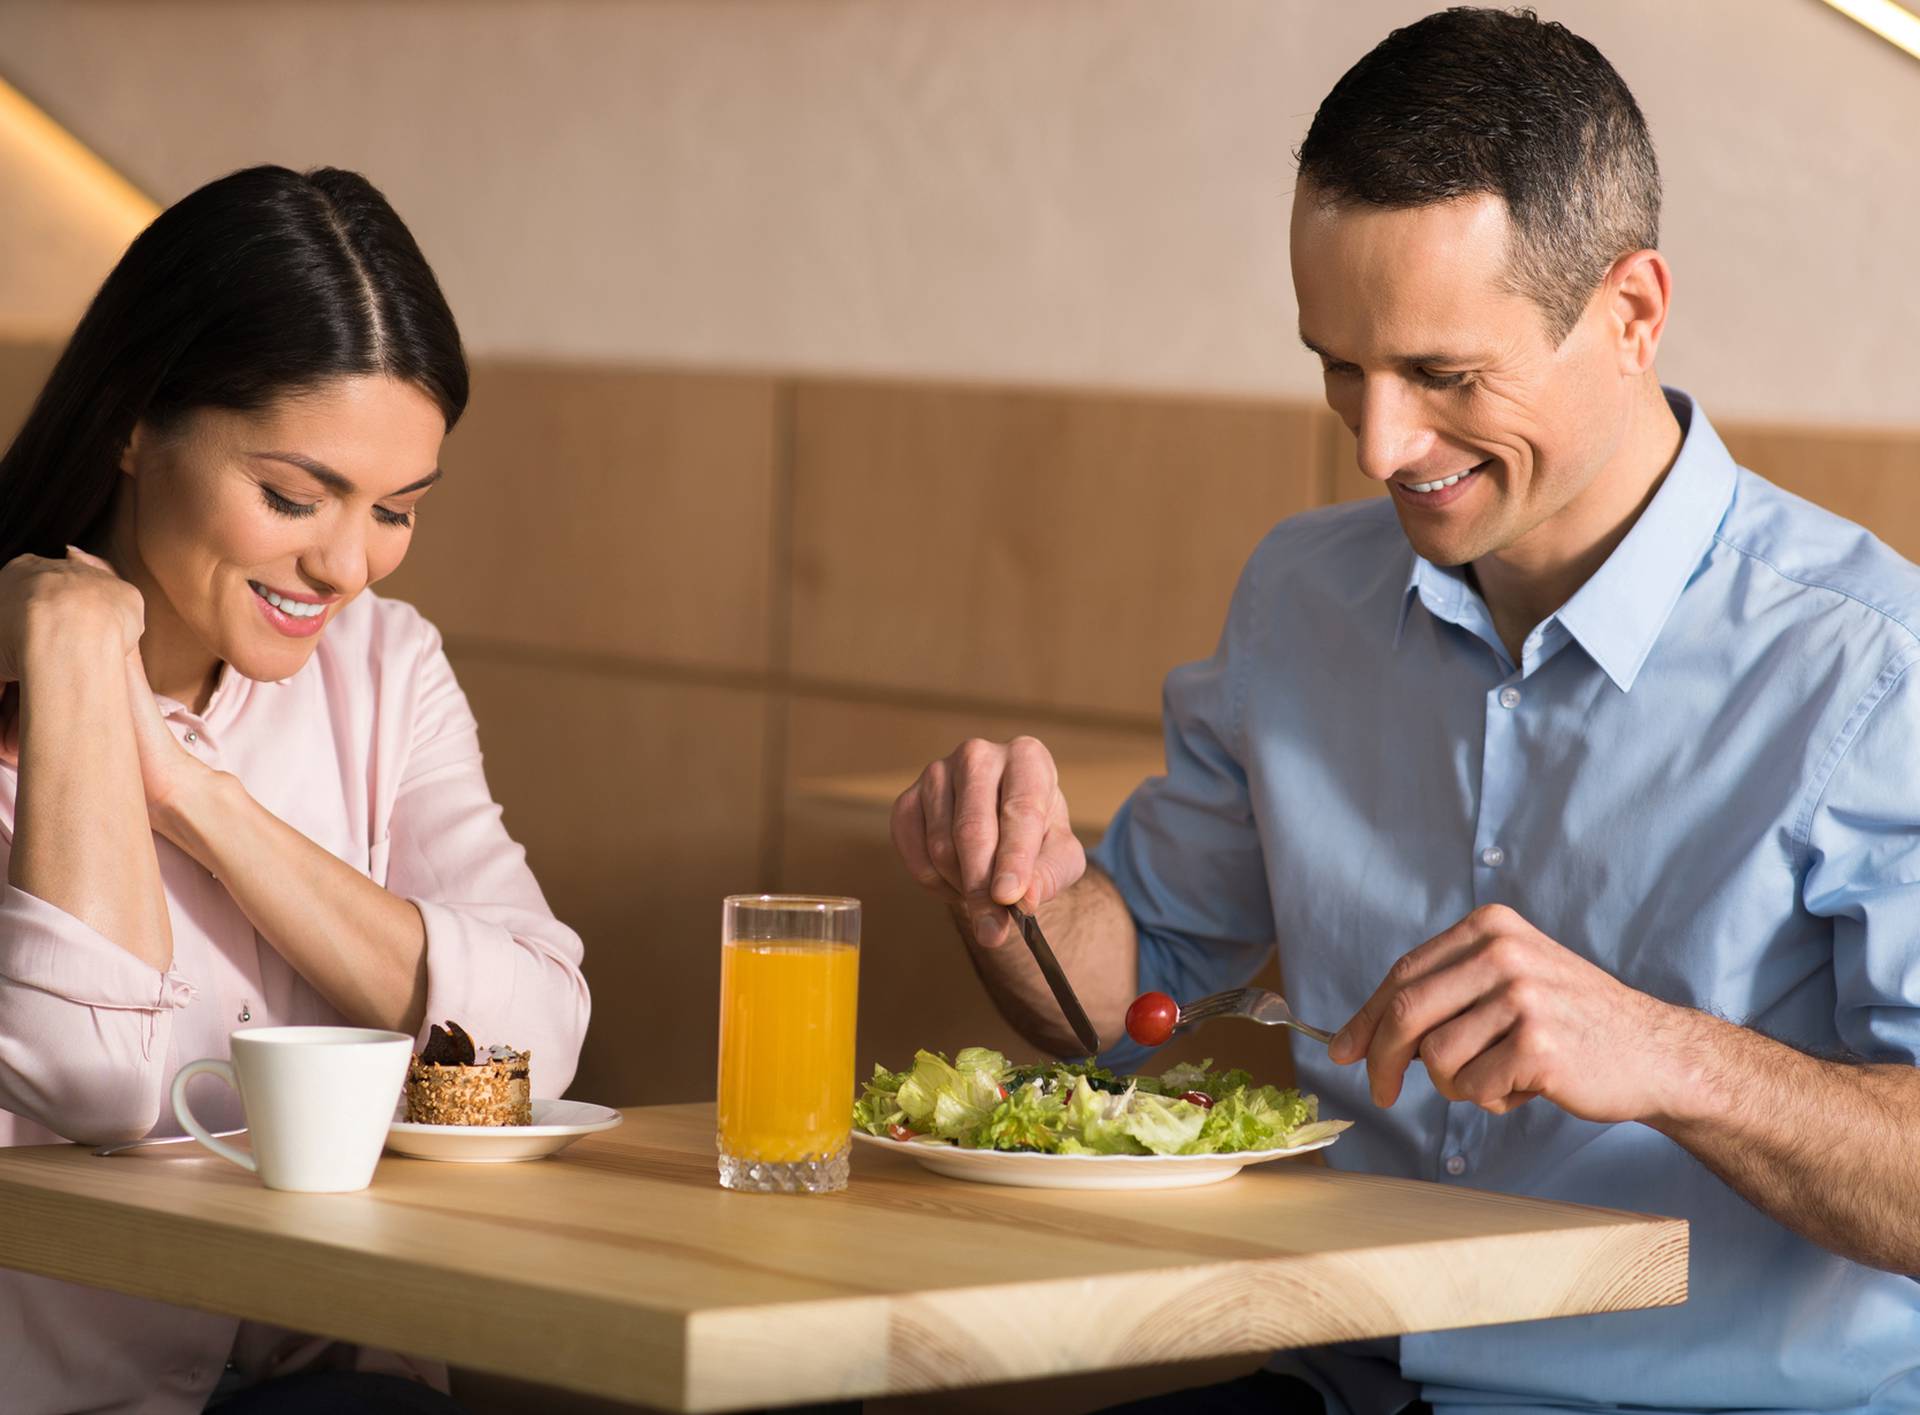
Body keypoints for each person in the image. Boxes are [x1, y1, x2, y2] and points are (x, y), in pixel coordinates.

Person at [892, 10, 1920, 1415]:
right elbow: (1119, 1003)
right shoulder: (1299, 595)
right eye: (1339, 365)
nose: (1378, 446)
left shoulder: (1876, 665)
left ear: (1630, 313)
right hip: (1337, 1384)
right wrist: (1018, 889)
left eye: (1444, 377)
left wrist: (1668, 1052)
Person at [0, 165, 590, 1413]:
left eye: (396, 511)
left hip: (342, 1377)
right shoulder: (33, 663)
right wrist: (66, 656)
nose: (343, 564)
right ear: (134, 419)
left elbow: (535, 1039)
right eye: (291, 495)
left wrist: (197, 798)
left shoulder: (386, 667)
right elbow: (98, 1079)